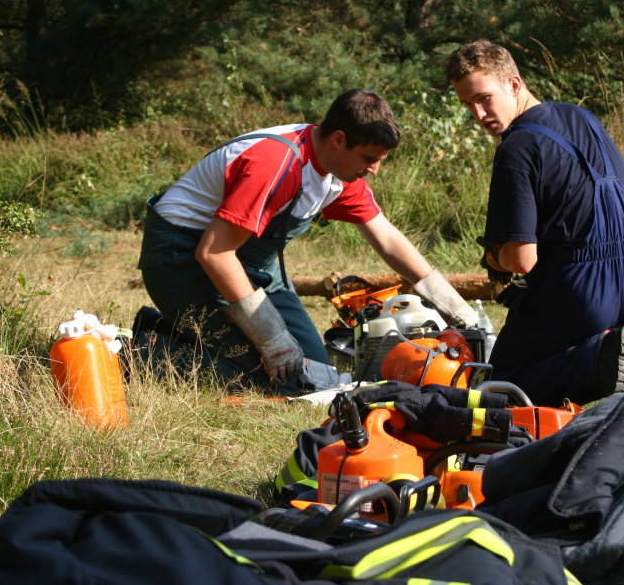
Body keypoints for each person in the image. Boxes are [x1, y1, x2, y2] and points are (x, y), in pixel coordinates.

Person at [135, 88, 477, 393]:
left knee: (309, 371)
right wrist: (273, 341)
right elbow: (214, 253)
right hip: (180, 259)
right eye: (369, 159)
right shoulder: (276, 164)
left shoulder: (340, 172)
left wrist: (458, 310)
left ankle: (170, 328)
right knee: (266, 374)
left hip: (251, 263)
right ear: (339, 140)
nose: (374, 170)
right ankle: (135, 356)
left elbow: (387, 239)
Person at [444, 40, 624, 407]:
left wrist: (494, 260)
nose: (479, 115)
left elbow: (521, 260)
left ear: (513, 84)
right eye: (468, 105)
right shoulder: (583, 117)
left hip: (586, 292)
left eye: (484, 98)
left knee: (497, 389)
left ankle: (601, 360)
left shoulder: (516, 148)